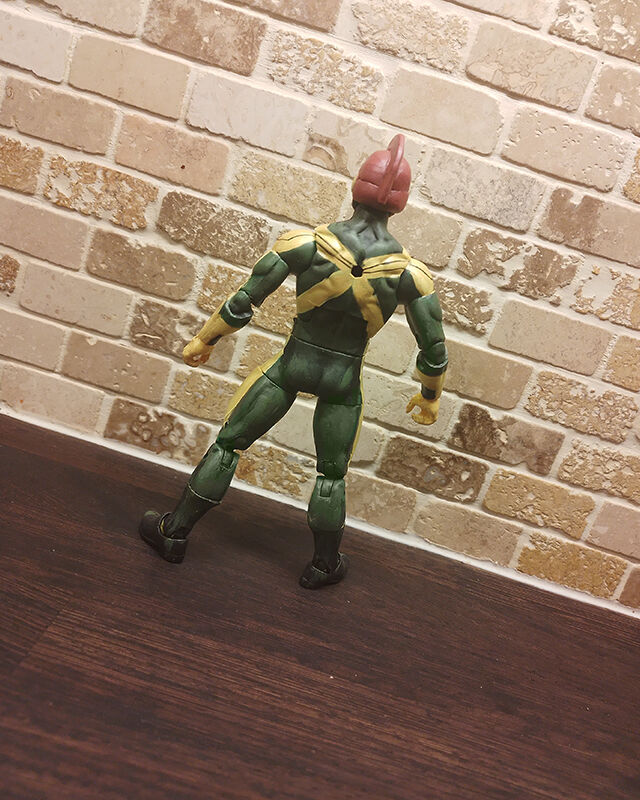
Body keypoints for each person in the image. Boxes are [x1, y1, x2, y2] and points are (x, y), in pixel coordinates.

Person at [140, 134, 448, 589]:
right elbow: (434, 348)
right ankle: (324, 565)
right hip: (343, 381)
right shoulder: (409, 276)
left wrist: (205, 340)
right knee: (331, 476)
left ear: (356, 188)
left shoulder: (305, 244)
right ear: (399, 204)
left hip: (291, 366)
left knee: (227, 447)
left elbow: (245, 299)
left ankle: (175, 533)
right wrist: (429, 396)